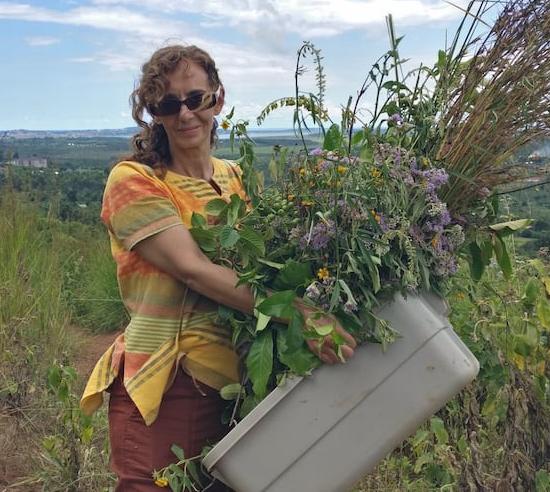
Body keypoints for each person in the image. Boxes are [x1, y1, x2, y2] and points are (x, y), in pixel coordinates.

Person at [80, 44, 357, 491]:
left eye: (196, 98)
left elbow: (262, 267)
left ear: (217, 99)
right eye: (168, 104)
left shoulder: (235, 178)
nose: (185, 113)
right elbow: (193, 269)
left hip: (235, 386)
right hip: (170, 382)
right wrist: (298, 312)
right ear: (156, 114)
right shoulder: (134, 181)